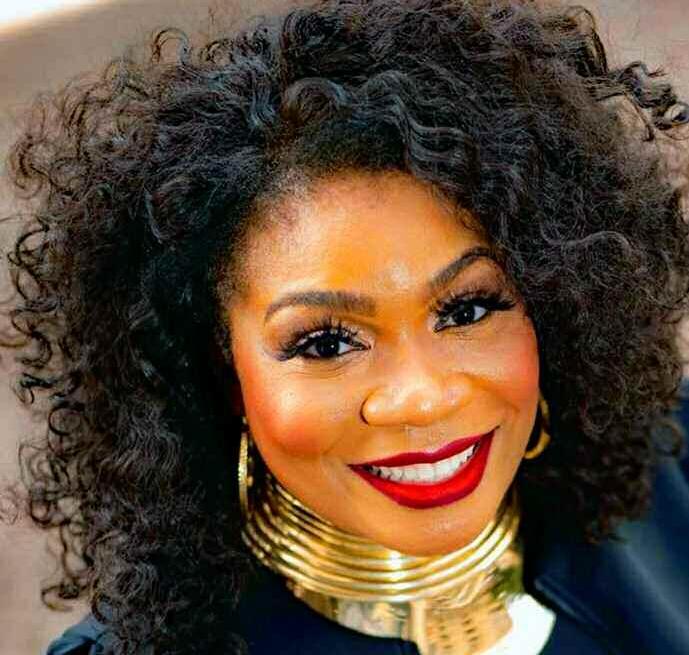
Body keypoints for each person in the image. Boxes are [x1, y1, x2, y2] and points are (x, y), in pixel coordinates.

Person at [2, 0, 689, 653]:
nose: (422, 397)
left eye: (467, 309)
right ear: (221, 371)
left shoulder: (673, 470)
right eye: (327, 342)